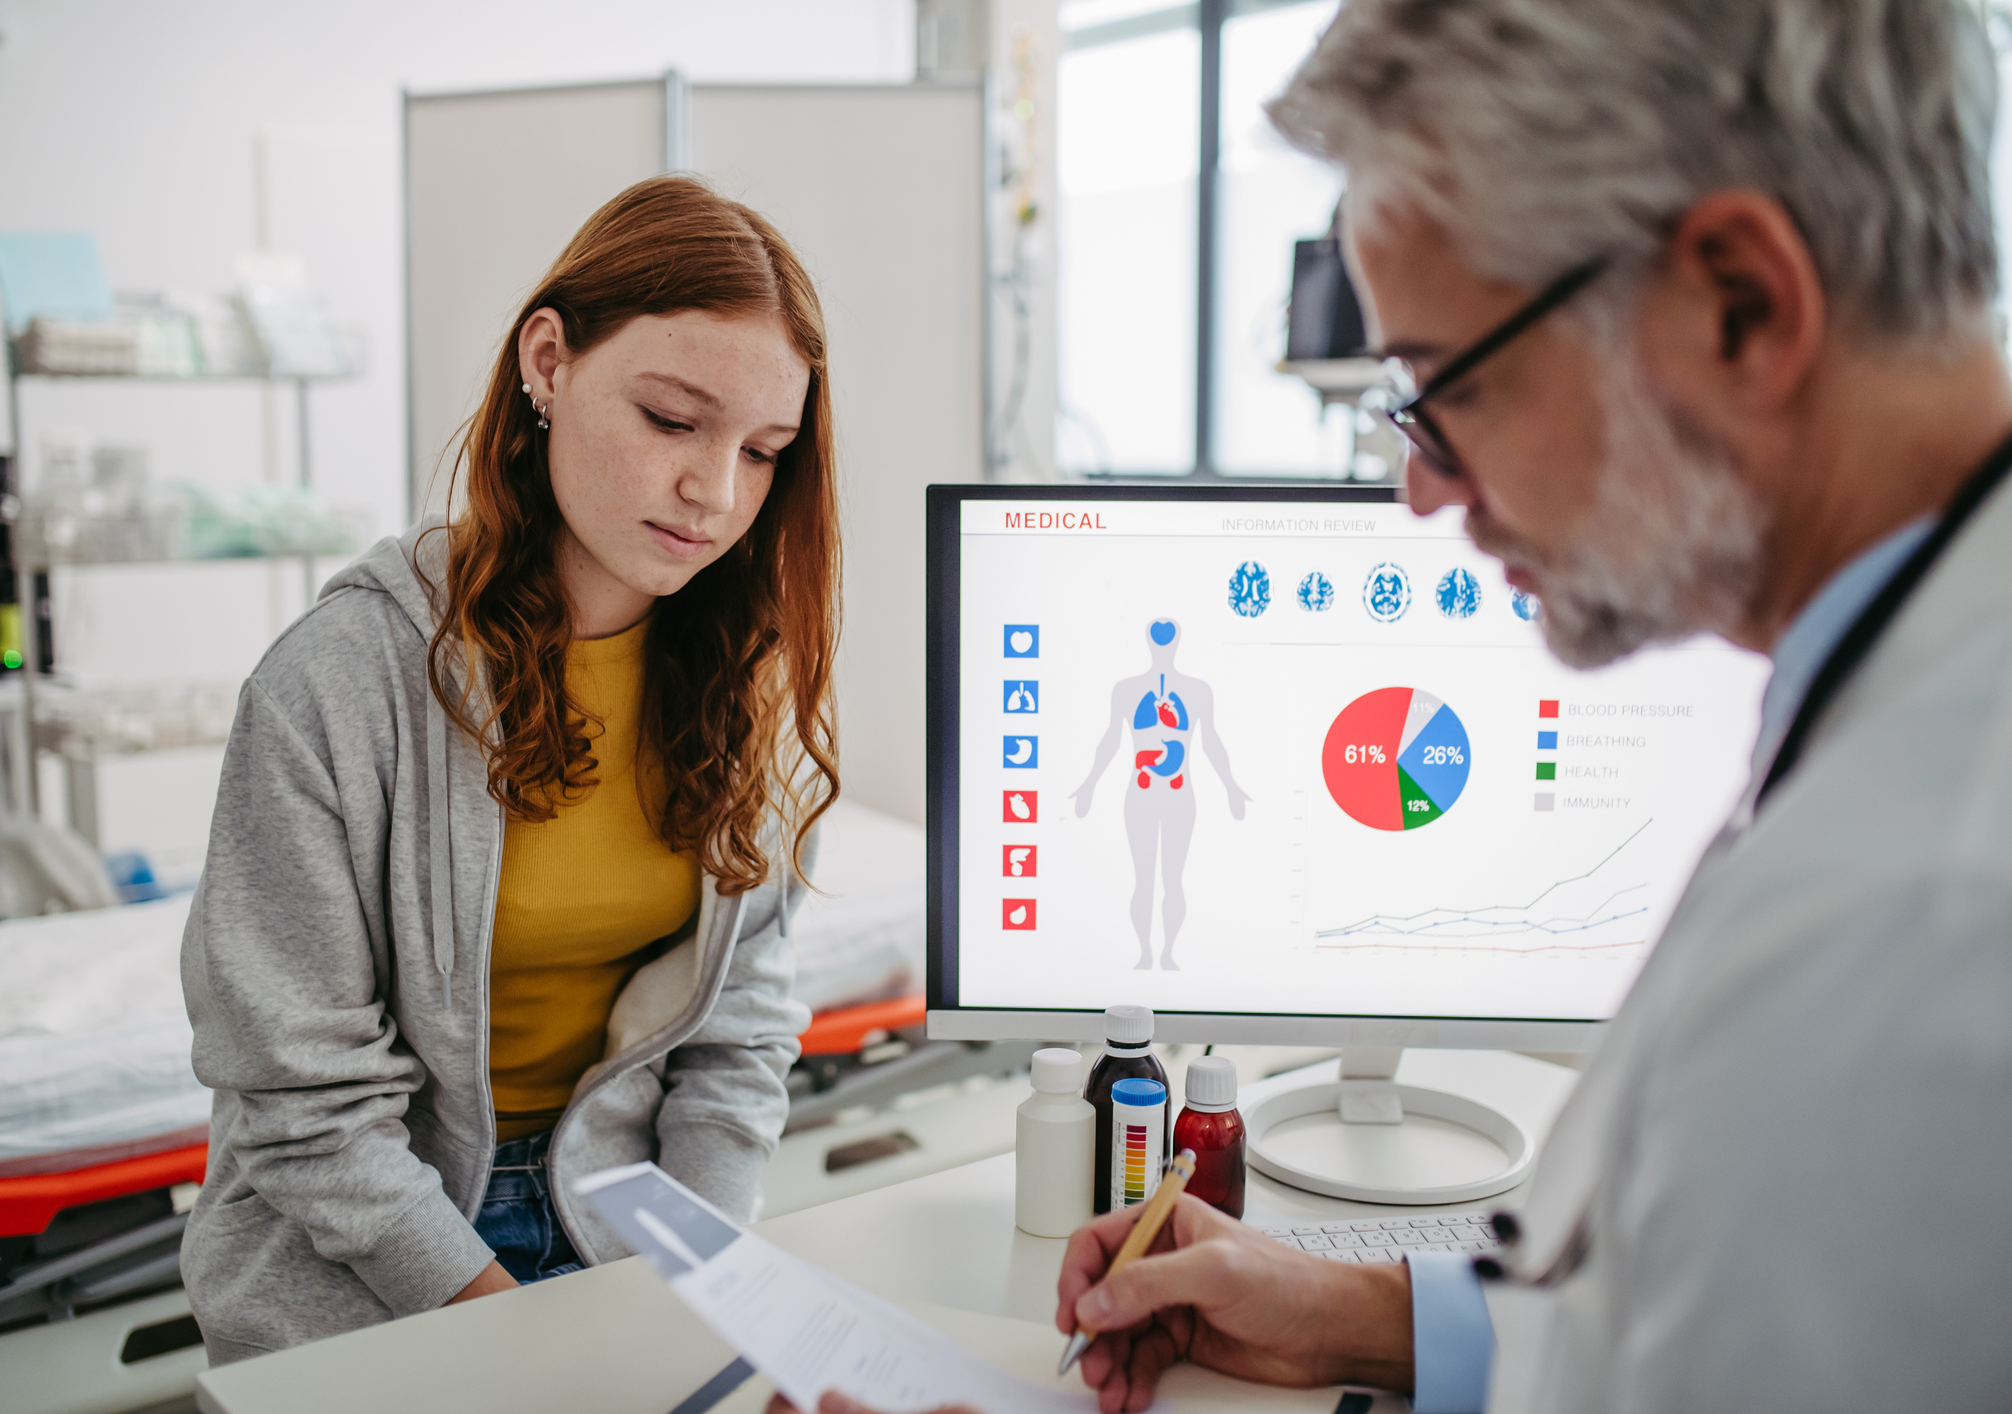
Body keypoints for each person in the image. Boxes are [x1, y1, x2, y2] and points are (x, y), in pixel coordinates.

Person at [787, 0, 2012, 1409]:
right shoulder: (1907, 694)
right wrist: (1365, 1316)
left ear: (1739, 299)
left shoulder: (1928, 915)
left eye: (1444, 385)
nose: (1415, 488)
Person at [180, 176, 840, 1364]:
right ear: (549, 359)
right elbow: (302, 1101)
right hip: (359, 1262)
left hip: (629, 1228)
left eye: (764, 450)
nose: (718, 492)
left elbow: (736, 1035)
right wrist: (522, 1337)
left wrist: (692, 1275)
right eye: (673, 421)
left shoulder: (745, 680)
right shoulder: (340, 682)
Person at [1070, 618, 1249, 970]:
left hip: (1180, 797)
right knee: (1144, 879)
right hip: (1141, 795)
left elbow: (1211, 741)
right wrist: (1090, 782)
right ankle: (1145, 954)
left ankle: (1167, 954)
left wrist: (1230, 785)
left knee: (1172, 879)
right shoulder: (1125, 689)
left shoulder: (1198, 691)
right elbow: (1111, 740)